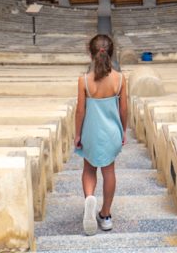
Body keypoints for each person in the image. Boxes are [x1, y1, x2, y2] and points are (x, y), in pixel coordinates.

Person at [74, 34, 127, 236]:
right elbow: (124, 109)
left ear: (90, 53)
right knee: (109, 171)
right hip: (112, 132)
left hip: (90, 132)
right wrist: (123, 130)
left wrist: (77, 135)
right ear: (111, 53)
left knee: (89, 168)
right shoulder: (120, 79)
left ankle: (89, 197)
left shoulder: (84, 81)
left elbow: (80, 111)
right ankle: (105, 215)